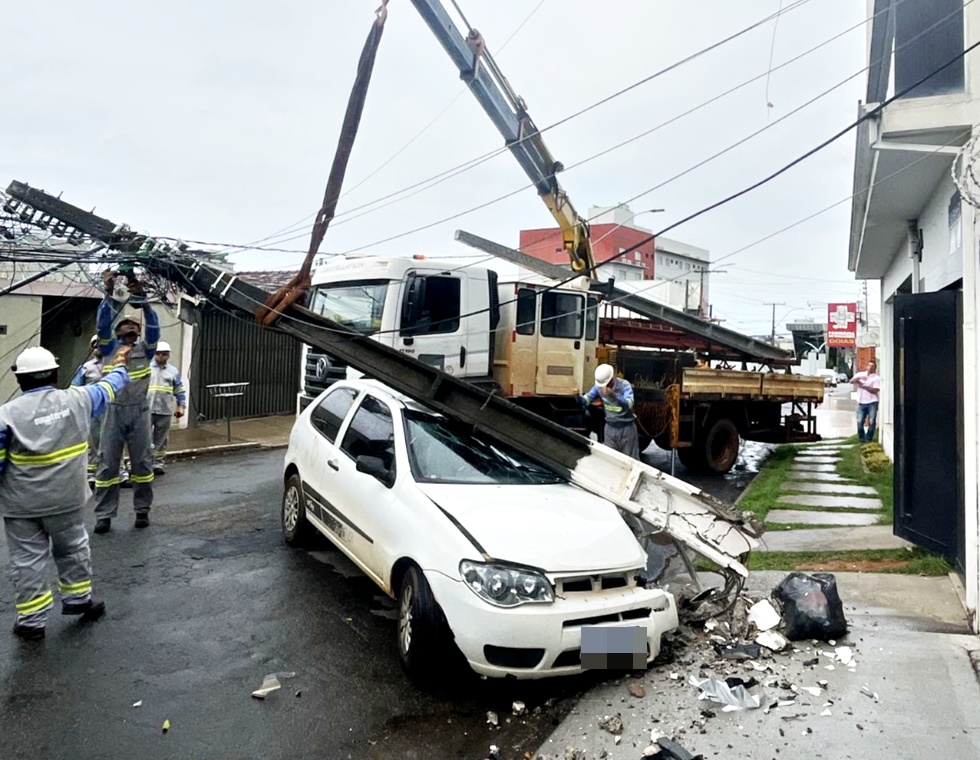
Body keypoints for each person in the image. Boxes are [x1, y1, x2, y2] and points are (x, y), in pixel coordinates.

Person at [0, 344, 131, 641]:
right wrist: (120, 361)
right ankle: (78, 600)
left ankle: (31, 622)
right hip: (67, 500)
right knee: (73, 549)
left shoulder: (5, 415)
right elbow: (111, 386)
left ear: (20, 379)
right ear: (55, 373)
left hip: (21, 507)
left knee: (27, 561)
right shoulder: (79, 400)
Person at [93, 272, 160, 534]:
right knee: (108, 464)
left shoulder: (147, 350)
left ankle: (142, 510)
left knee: (143, 464)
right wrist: (109, 294)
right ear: (118, 332)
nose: (131, 326)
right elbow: (102, 325)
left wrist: (143, 303)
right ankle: (104, 515)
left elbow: (154, 327)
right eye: (126, 324)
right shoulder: (109, 349)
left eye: (135, 325)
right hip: (113, 412)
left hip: (140, 412)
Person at [579, 363, 640, 459]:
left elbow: (629, 403)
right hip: (610, 428)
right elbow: (586, 401)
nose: (605, 386)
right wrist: (577, 397)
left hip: (627, 428)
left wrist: (614, 396)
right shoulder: (599, 387)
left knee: (630, 461)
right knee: (611, 460)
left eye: (607, 383)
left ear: (612, 378)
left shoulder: (624, 385)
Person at [70, 335, 105, 485]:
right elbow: (74, 389)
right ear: (92, 348)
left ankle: (119, 473)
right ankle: (91, 474)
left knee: (115, 443)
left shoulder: (117, 366)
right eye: (96, 345)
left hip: (112, 410)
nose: (99, 348)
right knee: (93, 443)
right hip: (92, 411)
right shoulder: (86, 368)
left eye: (102, 345)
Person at [147, 341, 186, 475]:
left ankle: (157, 463)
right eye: (158, 354)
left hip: (165, 409)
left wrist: (181, 406)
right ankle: (143, 463)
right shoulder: (147, 369)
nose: (161, 357)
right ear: (154, 354)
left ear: (168, 355)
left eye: (164, 354)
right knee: (144, 438)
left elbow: (179, 390)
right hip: (147, 409)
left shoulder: (173, 371)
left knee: (161, 439)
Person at [852, 358, 881, 442]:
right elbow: (852, 381)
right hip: (861, 402)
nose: (870, 367)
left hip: (872, 402)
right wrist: (857, 380)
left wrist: (864, 386)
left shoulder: (876, 378)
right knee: (860, 421)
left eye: (872, 366)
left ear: (875, 368)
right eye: (869, 365)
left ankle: (869, 438)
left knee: (872, 421)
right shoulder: (861, 374)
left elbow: (875, 390)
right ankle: (861, 438)